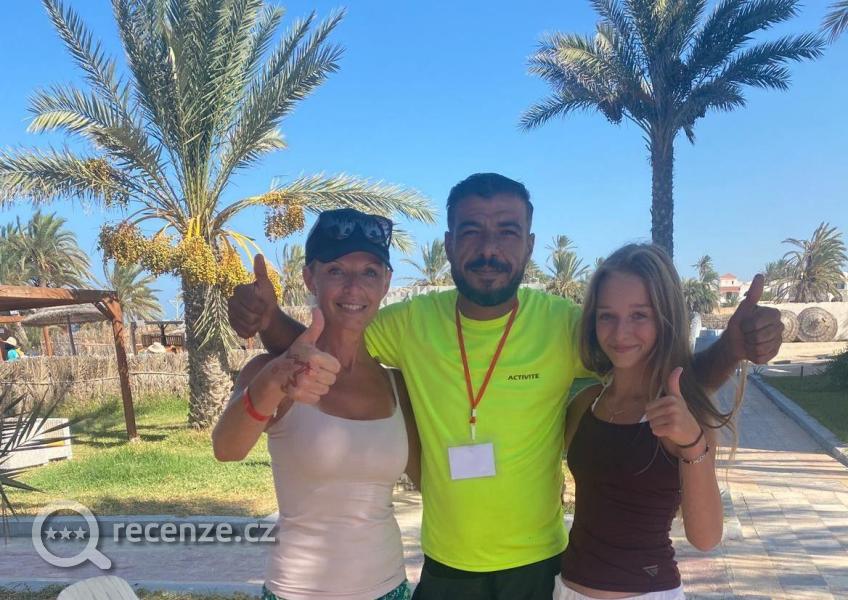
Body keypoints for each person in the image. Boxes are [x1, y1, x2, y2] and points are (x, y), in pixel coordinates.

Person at [228, 173, 784, 600]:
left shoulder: (568, 325)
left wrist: (731, 349)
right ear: (449, 243)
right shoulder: (409, 323)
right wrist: (267, 321)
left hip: (540, 568)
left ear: (530, 244)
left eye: (507, 232)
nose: (489, 248)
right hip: (446, 567)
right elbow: (326, 349)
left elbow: (659, 380)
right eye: (472, 231)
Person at [213, 208, 421, 600]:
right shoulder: (274, 369)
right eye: (336, 271)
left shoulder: (395, 385)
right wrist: (275, 379)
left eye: (369, 272)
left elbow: (430, 479)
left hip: (390, 589)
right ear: (310, 278)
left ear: (386, 283)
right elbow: (226, 448)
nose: (354, 288)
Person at [557, 244, 741, 600]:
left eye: (639, 315)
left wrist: (693, 443)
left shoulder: (681, 415)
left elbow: (706, 538)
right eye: (606, 316)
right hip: (567, 589)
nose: (620, 332)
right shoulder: (585, 404)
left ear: (665, 319)